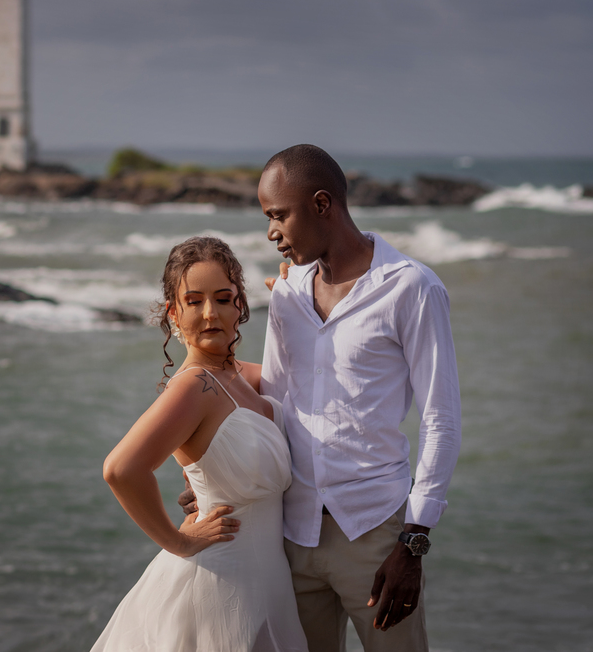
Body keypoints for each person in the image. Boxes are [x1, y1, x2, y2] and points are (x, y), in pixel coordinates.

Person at [180, 144, 460, 652]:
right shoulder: (287, 292)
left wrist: (413, 543)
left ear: (322, 204)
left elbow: (441, 418)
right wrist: (214, 475)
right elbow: (275, 399)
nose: (271, 233)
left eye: (278, 215)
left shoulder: (411, 288)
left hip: (375, 533)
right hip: (291, 534)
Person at [91, 236, 308, 652]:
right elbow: (120, 470)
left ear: (240, 306)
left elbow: (310, 377)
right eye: (194, 301)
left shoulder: (240, 377)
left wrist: (296, 300)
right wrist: (178, 542)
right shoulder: (194, 385)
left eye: (223, 298)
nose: (210, 313)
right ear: (174, 313)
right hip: (219, 586)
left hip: (268, 583)